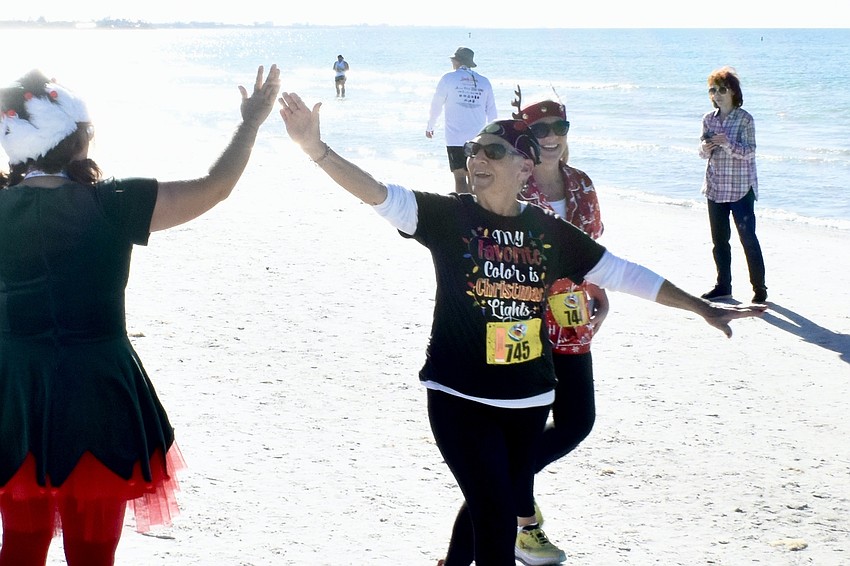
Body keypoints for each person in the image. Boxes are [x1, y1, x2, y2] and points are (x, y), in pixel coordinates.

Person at [278, 92, 766, 566]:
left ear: (523, 167)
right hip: (458, 396)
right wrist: (315, 150)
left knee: (498, 505)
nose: (476, 159)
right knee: (493, 519)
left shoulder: (549, 232)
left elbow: (621, 273)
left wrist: (701, 307)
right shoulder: (449, 216)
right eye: (473, 150)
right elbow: (377, 194)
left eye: (492, 151)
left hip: (529, 401)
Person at [0, 64, 280, 566]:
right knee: (92, 552)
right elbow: (216, 187)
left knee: (20, 545)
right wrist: (250, 123)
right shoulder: (113, 202)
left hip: (14, 388)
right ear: (76, 140)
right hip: (97, 387)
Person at [515, 96, 608, 562]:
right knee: (526, 427)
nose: (551, 135)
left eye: (559, 126)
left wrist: (600, 290)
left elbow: (593, 249)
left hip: (572, 323)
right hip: (520, 327)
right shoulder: (513, 184)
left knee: (577, 421)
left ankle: (505, 487)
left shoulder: (582, 184)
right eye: (540, 128)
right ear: (526, 136)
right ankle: (523, 526)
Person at [698, 66, 767, 304]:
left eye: (722, 89)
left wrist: (727, 143)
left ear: (733, 92)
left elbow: (750, 153)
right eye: (713, 90)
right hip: (715, 187)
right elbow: (702, 153)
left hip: (740, 189)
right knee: (719, 241)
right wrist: (706, 148)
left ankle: (759, 290)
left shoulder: (745, 119)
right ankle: (723, 286)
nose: (716, 94)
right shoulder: (708, 119)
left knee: (748, 239)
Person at [425, 47, 496, 194]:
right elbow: (492, 111)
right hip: (477, 137)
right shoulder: (484, 81)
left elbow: (436, 104)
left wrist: (430, 126)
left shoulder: (448, 78)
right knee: (473, 175)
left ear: (456, 61)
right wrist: (494, 136)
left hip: (455, 137)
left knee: (459, 176)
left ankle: (463, 209)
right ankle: (476, 209)